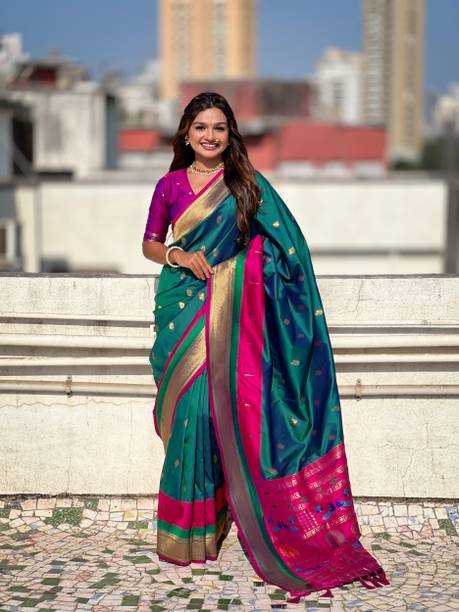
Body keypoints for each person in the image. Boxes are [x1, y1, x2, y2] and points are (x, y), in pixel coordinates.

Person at [142, 91, 389, 603]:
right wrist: (177, 256)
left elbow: (286, 250)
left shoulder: (247, 185)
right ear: (186, 133)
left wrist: (238, 270)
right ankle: (186, 532)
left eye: (219, 128)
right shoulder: (169, 185)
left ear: (230, 134)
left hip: (231, 315)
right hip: (180, 306)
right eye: (201, 127)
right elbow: (149, 243)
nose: (210, 136)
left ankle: (220, 522)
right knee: (188, 415)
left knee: (214, 414)